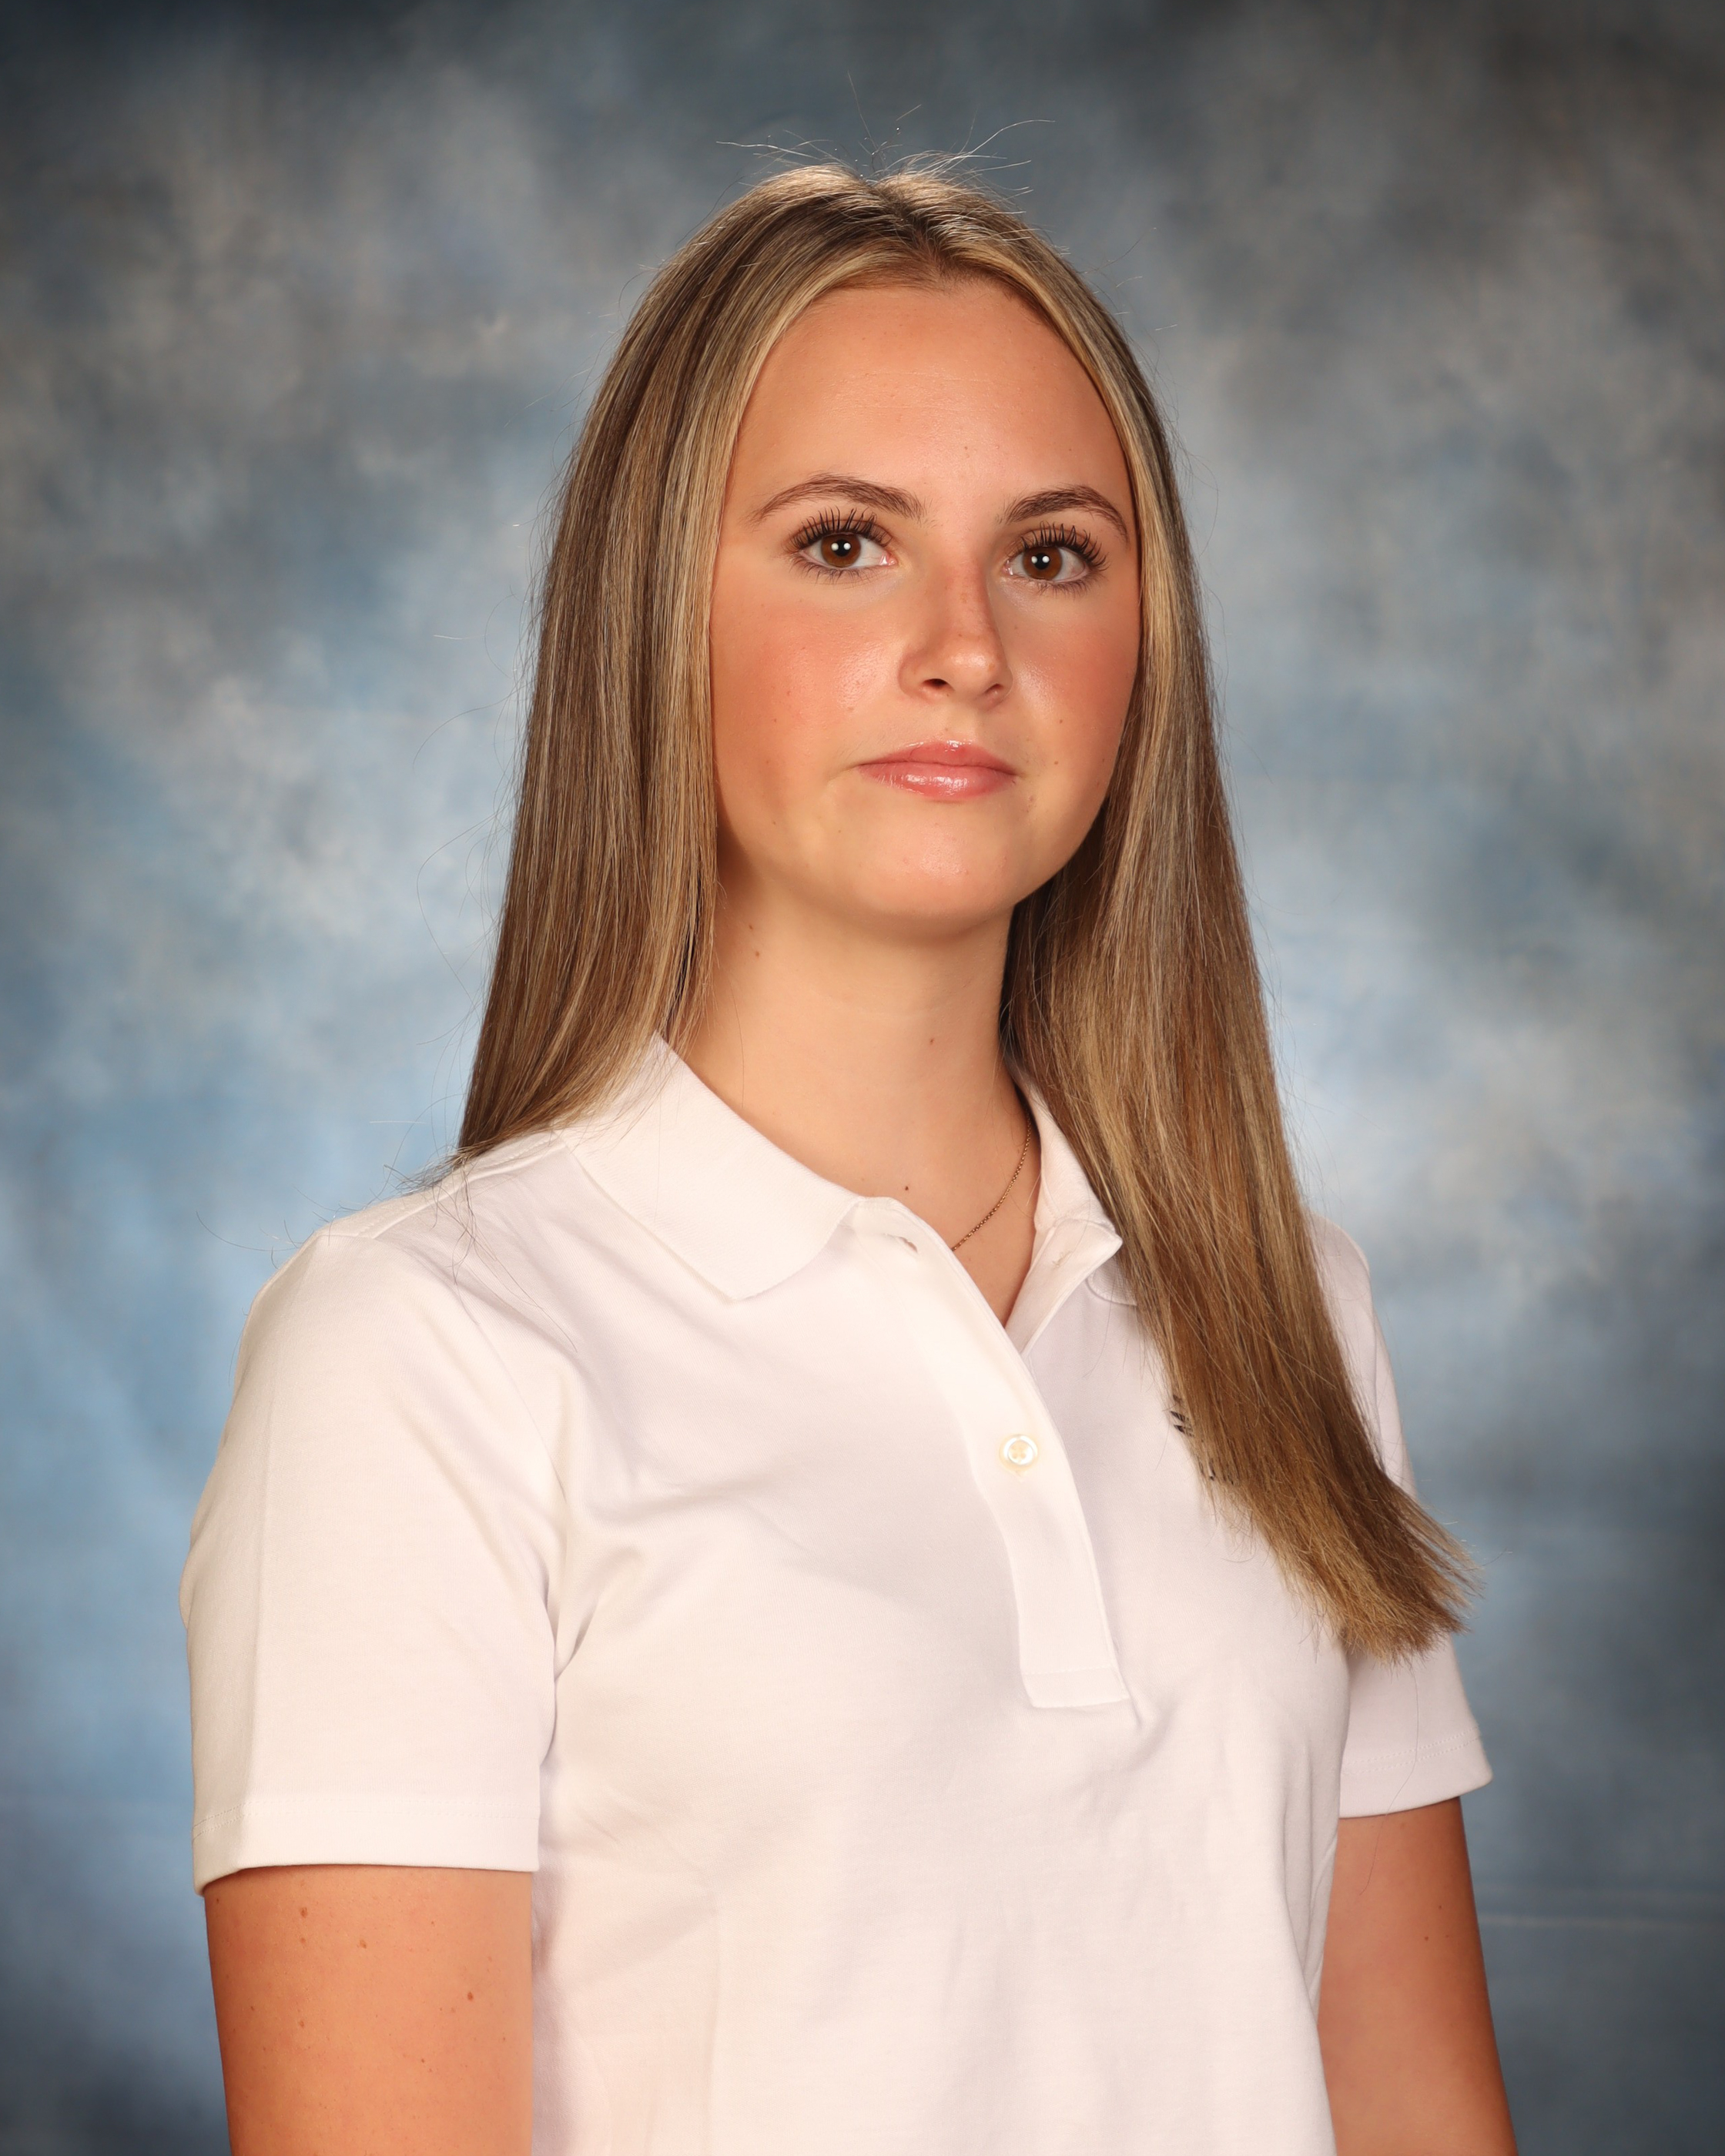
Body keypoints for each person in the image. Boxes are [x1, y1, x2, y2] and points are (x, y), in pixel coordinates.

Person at [183, 164, 1517, 2155]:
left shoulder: (1287, 1311)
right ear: (659, 620)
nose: (965, 645)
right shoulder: (419, 1357)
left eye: (1051, 555)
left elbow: (1411, 2110)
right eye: (843, 543)